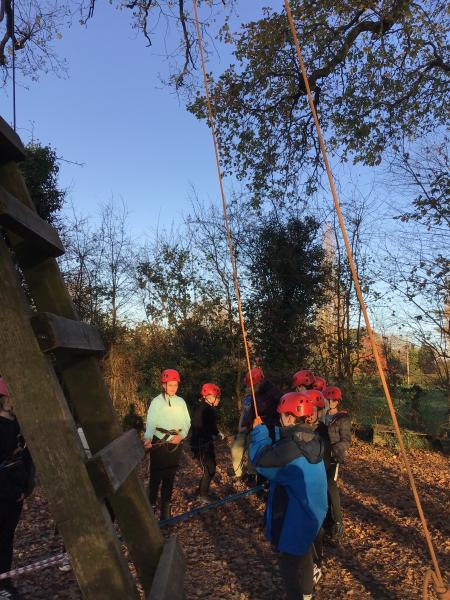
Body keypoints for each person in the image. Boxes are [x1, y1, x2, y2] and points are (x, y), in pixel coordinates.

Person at [249, 392, 327, 600]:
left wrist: (258, 433)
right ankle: (307, 593)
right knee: (304, 553)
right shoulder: (310, 439)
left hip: (296, 516)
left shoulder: (291, 448)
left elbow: (261, 461)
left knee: (288, 566)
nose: (280, 419)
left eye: (282, 415)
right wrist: (271, 431)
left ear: (291, 417)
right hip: (313, 514)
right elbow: (283, 446)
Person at [0, 378, 35, 600]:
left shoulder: (19, 426)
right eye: (11, 396)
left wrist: (25, 487)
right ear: (4, 400)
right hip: (3, 493)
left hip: (15, 495)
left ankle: (5, 583)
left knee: (6, 539)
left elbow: (27, 459)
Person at [144, 369, 191, 520]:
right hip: (160, 442)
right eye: (170, 385)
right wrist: (148, 438)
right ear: (164, 385)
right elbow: (151, 422)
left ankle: (166, 511)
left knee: (169, 476)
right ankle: (151, 508)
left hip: (176, 443)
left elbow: (187, 422)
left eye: (175, 385)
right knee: (156, 476)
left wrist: (181, 435)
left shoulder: (181, 402)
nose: (173, 388)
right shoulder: (157, 402)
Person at [232, 367, 282, 481]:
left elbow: (277, 410)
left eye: (251, 386)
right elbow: (247, 413)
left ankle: (253, 473)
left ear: (259, 382)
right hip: (250, 426)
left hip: (265, 428)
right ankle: (241, 474)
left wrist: (253, 425)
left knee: (254, 445)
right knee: (236, 448)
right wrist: (243, 426)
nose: (249, 388)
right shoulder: (253, 395)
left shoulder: (272, 392)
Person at [322, 385, 352, 541]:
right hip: (322, 457)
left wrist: (333, 451)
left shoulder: (342, 418)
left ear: (336, 402)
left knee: (330, 486)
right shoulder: (322, 416)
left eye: (331, 400)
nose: (329, 402)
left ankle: (339, 521)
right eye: (327, 400)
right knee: (323, 487)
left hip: (334, 458)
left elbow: (346, 441)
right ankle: (327, 519)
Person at [190, 383, 223, 503]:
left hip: (206, 444)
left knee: (211, 468)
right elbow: (198, 428)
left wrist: (217, 433)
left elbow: (211, 426)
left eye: (218, 397)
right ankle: (202, 494)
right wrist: (211, 435)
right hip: (201, 445)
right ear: (208, 397)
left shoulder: (209, 409)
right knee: (209, 469)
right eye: (216, 397)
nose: (218, 399)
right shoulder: (202, 410)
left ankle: (201, 491)